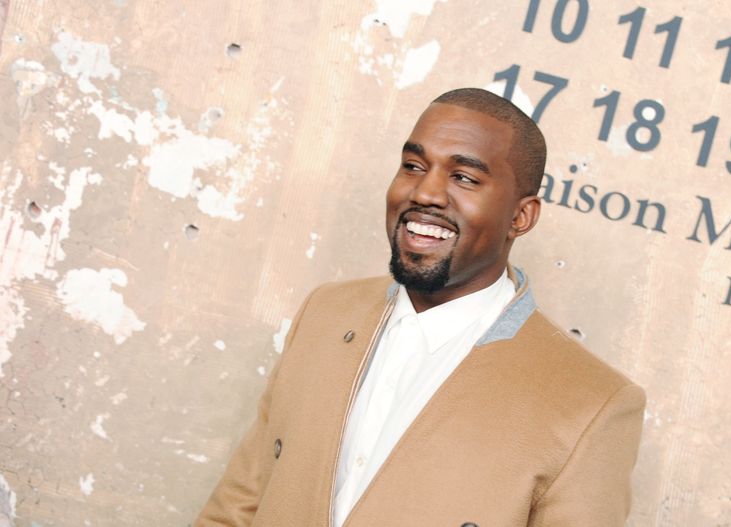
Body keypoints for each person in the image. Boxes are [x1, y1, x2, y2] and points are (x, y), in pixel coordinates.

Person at [195, 87, 646, 526]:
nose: (426, 193)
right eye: (413, 166)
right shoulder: (326, 312)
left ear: (520, 216)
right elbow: (239, 505)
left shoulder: (593, 404)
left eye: (464, 177)